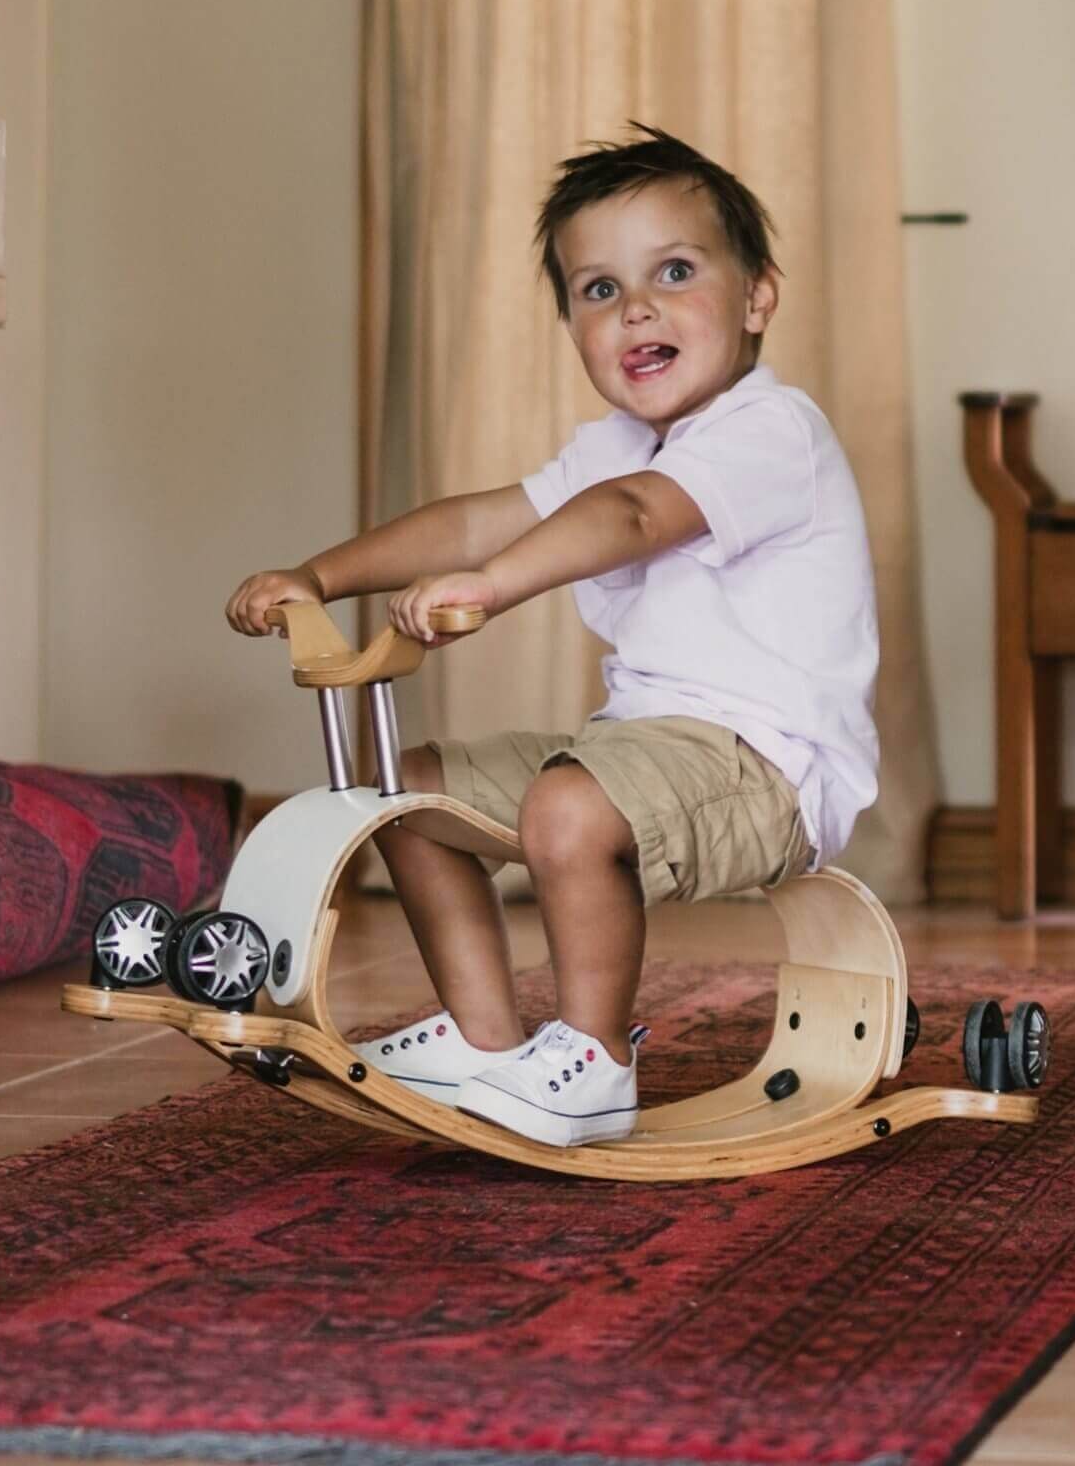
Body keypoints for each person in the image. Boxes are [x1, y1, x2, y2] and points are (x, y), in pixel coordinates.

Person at [225, 123, 879, 1148]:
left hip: (770, 766)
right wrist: (321, 577)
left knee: (570, 809)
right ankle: (482, 1035)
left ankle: (595, 1060)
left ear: (758, 297)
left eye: (675, 272)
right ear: (572, 326)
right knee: (410, 788)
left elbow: (633, 516)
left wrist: (493, 588)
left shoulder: (770, 429)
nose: (637, 308)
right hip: (643, 746)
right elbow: (476, 523)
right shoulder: (615, 444)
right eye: (599, 290)